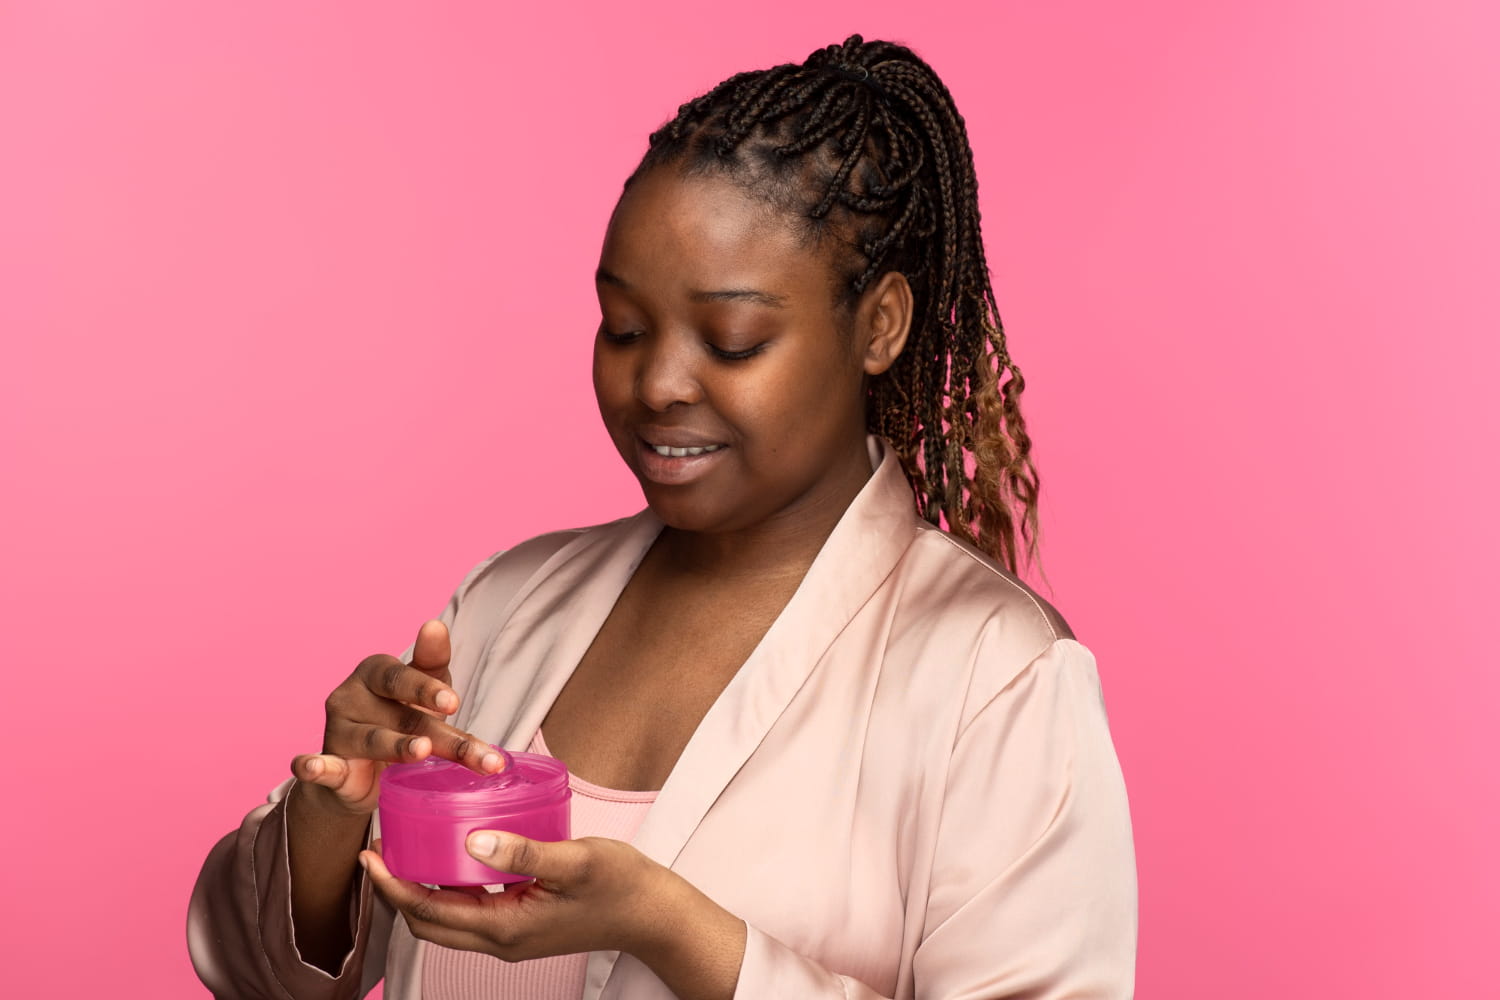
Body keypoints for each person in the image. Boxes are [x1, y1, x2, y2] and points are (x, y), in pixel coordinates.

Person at [188, 34, 1137, 1000]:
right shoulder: (507, 602)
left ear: (879, 326)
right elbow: (260, 977)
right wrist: (330, 826)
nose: (658, 384)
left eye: (732, 342)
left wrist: (672, 928)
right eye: (625, 328)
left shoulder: (998, 677)